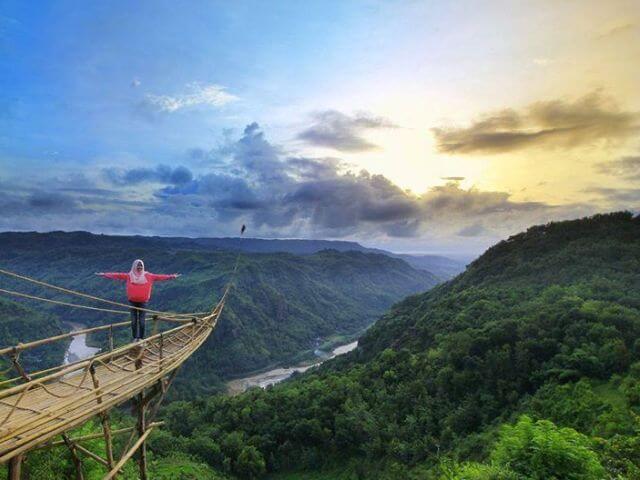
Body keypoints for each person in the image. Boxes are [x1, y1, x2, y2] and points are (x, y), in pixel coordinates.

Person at [96, 260, 180, 341]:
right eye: (138, 265)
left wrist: (172, 276)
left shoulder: (148, 275)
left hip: (143, 302)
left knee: (142, 322)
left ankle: (141, 338)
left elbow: (161, 277)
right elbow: (117, 275)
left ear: (143, 266)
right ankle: (135, 338)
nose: (139, 267)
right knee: (133, 321)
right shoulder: (129, 275)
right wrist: (104, 274)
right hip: (132, 302)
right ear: (134, 266)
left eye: (141, 265)